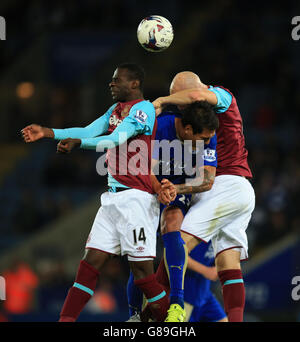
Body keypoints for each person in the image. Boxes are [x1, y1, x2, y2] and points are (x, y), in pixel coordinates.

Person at [21, 63, 175, 322]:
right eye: (112, 80)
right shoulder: (114, 111)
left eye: (117, 80)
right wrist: (47, 132)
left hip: (137, 199)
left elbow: (116, 139)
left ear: (134, 83)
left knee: (143, 275)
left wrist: (79, 144)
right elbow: (88, 130)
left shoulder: (144, 109)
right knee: (88, 265)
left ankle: (173, 322)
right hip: (112, 199)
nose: (111, 84)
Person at [152, 71, 255, 322]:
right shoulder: (196, 120)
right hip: (240, 189)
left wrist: (162, 101)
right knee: (228, 265)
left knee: (177, 245)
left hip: (223, 185)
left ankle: (149, 312)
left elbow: (197, 95)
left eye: (180, 100)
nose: (179, 107)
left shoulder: (221, 96)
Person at [127, 101, 219, 322]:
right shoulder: (158, 128)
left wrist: (174, 188)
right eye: (203, 139)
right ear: (187, 130)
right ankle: (134, 316)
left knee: (173, 221)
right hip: (147, 187)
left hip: (176, 186)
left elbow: (207, 180)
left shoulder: (207, 135)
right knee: (141, 255)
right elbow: (141, 166)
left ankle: (176, 304)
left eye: (209, 139)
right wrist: (159, 188)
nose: (208, 142)